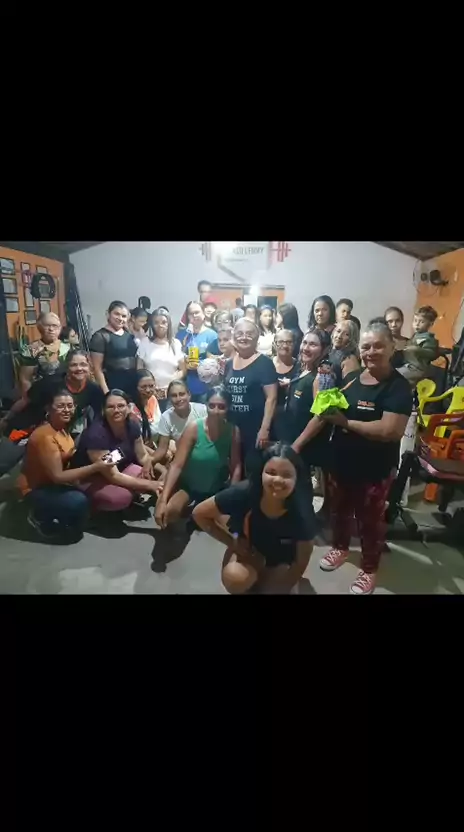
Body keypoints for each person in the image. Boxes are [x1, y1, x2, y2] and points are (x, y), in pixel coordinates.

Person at [318, 321, 413, 595]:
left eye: (378, 346)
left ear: (392, 348)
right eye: (366, 347)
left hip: (375, 469)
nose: (371, 352)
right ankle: (340, 548)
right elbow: (335, 404)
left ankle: (369, 569)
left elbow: (389, 430)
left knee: (369, 521)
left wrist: (345, 422)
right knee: (339, 512)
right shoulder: (354, 377)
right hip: (342, 462)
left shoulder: (398, 387)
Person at [193, 443, 315, 594]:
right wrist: (232, 542)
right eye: (271, 472)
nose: (278, 480)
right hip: (247, 553)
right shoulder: (243, 492)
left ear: (296, 478)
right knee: (234, 577)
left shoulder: (302, 510)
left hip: (280, 561)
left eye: (286, 475)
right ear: (261, 472)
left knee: (274, 591)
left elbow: (302, 560)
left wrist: (287, 583)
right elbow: (199, 513)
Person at [17, 389, 116, 539]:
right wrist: (95, 466)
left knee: (90, 489)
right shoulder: (45, 436)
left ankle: (70, 516)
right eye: (61, 406)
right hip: (35, 488)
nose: (67, 410)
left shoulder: (62, 429)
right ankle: (39, 515)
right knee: (78, 501)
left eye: (70, 406)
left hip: (56, 483)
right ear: (48, 409)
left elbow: (65, 455)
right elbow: (58, 476)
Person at [155, 386, 241, 529]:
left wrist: (232, 496)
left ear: (228, 408)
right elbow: (176, 465)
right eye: (212, 406)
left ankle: (199, 513)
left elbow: (236, 465)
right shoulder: (194, 428)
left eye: (221, 407)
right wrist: (163, 500)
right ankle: (191, 512)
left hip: (215, 488)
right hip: (188, 486)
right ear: (206, 405)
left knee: (229, 527)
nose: (216, 411)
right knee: (169, 512)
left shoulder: (233, 431)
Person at [72, 390, 163, 512]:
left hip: (120, 468)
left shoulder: (132, 425)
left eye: (121, 406)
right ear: (103, 410)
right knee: (121, 498)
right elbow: (113, 475)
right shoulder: (96, 435)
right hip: (92, 477)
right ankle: (92, 508)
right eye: (111, 407)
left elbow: (142, 456)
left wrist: (162, 469)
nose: (116, 410)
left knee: (149, 475)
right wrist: (151, 485)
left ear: (129, 407)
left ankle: (130, 494)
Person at [224, 319, 277, 467]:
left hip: (255, 429)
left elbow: (271, 398)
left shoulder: (264, 363)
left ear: (257, 338)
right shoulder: (229, 363)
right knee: (235, 467)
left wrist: (265, 428)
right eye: (240, 333)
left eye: (249, 334)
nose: (244, 337)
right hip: (233, 428)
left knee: (253, 468)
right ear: (234, 337)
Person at [281, 329, 333, 473]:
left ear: (325, 349)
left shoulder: (324, 377)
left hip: (307, 451)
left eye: (313, 344)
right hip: (292, 443)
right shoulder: (303, 368)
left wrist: (296, 446)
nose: (306, 348)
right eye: (304, 343)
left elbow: (322, 416)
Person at [137, 308, 185, 411]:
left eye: (164, 322)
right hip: (149, 394)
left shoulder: (175, 343)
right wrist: (151, 389)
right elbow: (139, 370)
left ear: (168, 324)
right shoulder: (145, 342)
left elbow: (183, 370)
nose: (160, 325)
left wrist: (169, 386)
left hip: (171, 394)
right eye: (156, 322)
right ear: (152, 325)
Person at [150, 380, 207, 467]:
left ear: (189, 395)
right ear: (169, 399)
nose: (178, 399)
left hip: (205, 454)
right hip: (183, 459)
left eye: (182, 394)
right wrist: (150, 461)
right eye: (174, 396)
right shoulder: (166, 417)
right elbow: (162, 449)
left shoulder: (202, 410)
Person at [89, 300, 138, 397]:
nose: (120, 318)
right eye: (117, 314)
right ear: (108, 314)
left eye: (124, 316)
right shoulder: (100, 336)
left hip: (132, 386)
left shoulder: (130, 336)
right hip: (112, 387)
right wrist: (107, 393)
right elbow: (97, 369)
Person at [17, 312, 70, 398]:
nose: (51, 329)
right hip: (40, 394)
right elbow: (25, 379)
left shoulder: (68, 348)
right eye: (47, 325)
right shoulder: (30, 351)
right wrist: (30, 399)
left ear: (60, 328)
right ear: (39, 327)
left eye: (55, 326)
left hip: (66, 394)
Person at [176, 301, 219, 402]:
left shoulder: (212, 335)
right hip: (184, 387)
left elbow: (217, 363)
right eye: (191, 313)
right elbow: (175, 359)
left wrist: (199, 365)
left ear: (203, 314)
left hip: (205, 387)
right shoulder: (181, 335)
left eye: (197, 312)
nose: (194, 315)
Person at [396, 306, 439, 386]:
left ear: (431, 324)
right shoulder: (416, 335)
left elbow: (432, 354)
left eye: (421, 322)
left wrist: (417, 349)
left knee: (395, 375)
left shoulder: (428, 338)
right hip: (408, 365)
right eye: (415, 320)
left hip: (417, 368)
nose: (417, 324)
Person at [272, 329, 298, 439]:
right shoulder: (267, 365)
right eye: (281, 342)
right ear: (274, 344)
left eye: (289, 342)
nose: (285, 345)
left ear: (294, 344)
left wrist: (291, 387)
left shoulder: (300, 366)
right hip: (269, 416)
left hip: (291, 418)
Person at [131, 370, 162, 442]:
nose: (148, 390)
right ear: (135, 387)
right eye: (143, 387)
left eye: (151, 386)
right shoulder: (131, 409)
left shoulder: (153, 399)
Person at [329, 320, 361, 385]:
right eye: (338, 331)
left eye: (346, 334)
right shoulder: (328, 351)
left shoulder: (349, 359)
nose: (339, 336)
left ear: (352, 338)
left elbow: (350, 387)